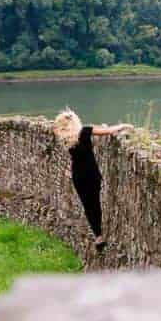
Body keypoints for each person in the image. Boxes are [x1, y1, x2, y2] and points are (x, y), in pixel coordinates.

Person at [52, 108, 132, 252]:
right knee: (95, 202)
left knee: (87, 206)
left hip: (78, 176)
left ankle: (98, 235)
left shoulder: (65, 138)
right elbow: (107, 132)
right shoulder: (85, 131)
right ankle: (100, 231)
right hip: (92, 174)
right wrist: (123, 126)